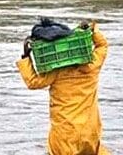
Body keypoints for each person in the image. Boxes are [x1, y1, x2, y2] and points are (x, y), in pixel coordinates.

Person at [17, 22, 109, 155]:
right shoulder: (92, 67)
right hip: (90, 131)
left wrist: (26, 57)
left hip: (64, 134)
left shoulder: (55, 72)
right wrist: (93, 30)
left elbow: (33, 82)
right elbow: (102, 46)